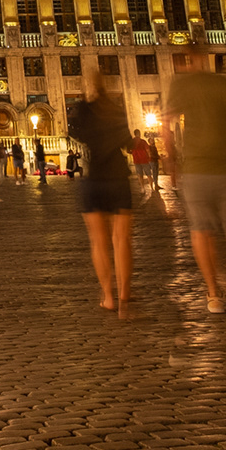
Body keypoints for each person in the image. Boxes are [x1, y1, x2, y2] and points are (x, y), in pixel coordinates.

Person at [164, 52, 226, 318]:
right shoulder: (219, 83)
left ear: (184, 61)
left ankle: (214, 293)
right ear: (205, 58)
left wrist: (170, 157)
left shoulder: (180, 84)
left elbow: (165, 120)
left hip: (195, 167)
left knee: (201, 232)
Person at [69, 72, 134, 313]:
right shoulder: (116, 109)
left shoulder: (84, 110)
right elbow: (128, 142)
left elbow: (77, 134)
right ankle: (125, 295)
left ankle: (108, 296)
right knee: (122, 240)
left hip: (94, 176)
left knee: (98, 242)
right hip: (118, 177)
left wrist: (84, 106)